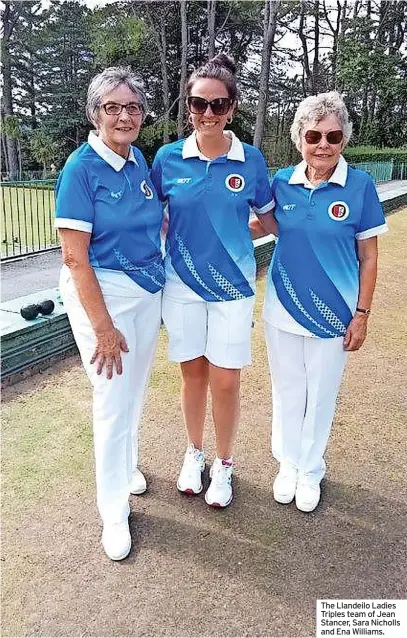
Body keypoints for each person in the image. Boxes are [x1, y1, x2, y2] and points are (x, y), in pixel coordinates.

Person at [151, 54, 274, 508]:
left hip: (233, 289)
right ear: (188, 107)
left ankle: (224, 462)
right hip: (180, 285)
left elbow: (268, 218)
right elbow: (151, 216)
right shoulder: (167, 158)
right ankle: (194, 451)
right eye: (198, 104)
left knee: (225, 379)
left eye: (218, 105)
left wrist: (235, 236)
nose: (207, 114)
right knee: (193, 374)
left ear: (232, 109)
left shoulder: (251, 160)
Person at [260, 91, 388, 512]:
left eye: (333, 136)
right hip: (283, 307)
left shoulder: (361, 186)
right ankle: (288, 464)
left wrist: (363, 314)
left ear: (344, 139)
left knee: (322, 393)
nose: (323, 145)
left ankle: (311, 468)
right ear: (300, 138)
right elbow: (266, 225)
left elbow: (368, 256)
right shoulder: (282, 182)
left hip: (335, 313)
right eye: (313, 135)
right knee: (288, 389)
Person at [55, 67, 164, 560]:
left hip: (145, 292)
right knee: (113, 399)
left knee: (134, 391)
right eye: (112, 107)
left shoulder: (138, 158)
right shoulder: (80, 169)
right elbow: (75, 256)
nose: (124, 116)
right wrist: (103, 328)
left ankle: (128, 467)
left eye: (133, 107)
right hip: (102, 296)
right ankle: (113, 513)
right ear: (95, 114)